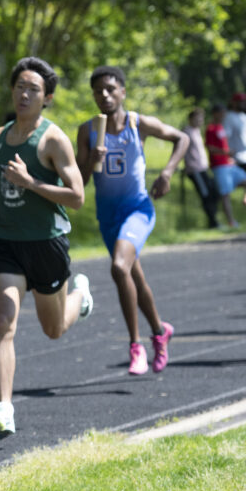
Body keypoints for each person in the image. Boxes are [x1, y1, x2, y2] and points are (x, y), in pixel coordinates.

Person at [0, 56, 92, 435]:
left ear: (47, 98)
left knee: (53, 329)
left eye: (33, 90)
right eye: (20, 87)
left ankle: (80, 297)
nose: (24, 94)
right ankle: (4, 407)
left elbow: (76, 196)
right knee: (3, 322)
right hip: (5, 241)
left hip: (46, 244)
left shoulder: (53, 139)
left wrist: (31, 183)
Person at [76, 66, 186, 376]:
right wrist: (92, 160)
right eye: (99, 91)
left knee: (118, 267)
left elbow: (182, 140)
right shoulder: (87, 131)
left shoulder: (139, 124)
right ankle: (159, 331)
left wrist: (167, 172)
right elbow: (79, 181)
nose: (105, 95)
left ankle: (135, 346)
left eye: (111, 89)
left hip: (137, 209)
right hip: (107, 215)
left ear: (123, 91)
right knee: (133, 277)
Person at [206, 103, 246, 226]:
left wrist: (228, 156)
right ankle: (231, 222)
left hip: (228, 163)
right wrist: (225, 152)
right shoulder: (211, 128)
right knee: (225, 194)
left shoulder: (221, 127)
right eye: (222, 113)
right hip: (219, 165)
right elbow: (209, 147)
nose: (224, 115)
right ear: (216, 113)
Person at [183, 108, 221, 228]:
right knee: (206, 195)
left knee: (215, 193)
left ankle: (214, 220)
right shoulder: (186, 132)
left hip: (203, 168)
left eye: (202, 118)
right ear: (191, 119)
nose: (200, 120)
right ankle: (213, 222)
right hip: (194, 169)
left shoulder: (197, 131)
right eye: (197, 118)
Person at [223, 92, 246, 171]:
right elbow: (225, 136)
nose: (243, 103)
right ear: (234, 103)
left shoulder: (243, 116)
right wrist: (228, 154)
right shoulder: (229, 117)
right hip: (236, 157)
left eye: (244, 101)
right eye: (240, 101)